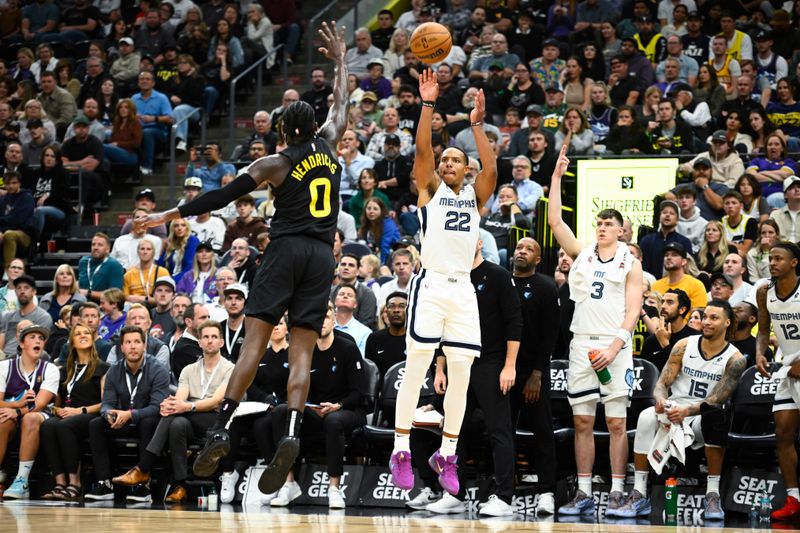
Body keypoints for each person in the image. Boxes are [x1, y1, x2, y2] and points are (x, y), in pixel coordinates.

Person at [135, 21, 350, 496]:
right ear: (312, 126)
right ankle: (291, 434)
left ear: (283, 132)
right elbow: (342, 103)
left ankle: (219, 430)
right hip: (321, 257)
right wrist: (339, 61)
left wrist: (169, 212)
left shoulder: (273, 163)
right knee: (301, 351)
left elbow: (219, 197)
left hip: (287, 249)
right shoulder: (331, 144)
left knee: (252, 343)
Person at [388, 67, 497, 496]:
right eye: (444, 159)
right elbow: (421, 154)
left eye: (456, 160)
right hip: (430, 285)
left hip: (462, 290)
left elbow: (490, 164)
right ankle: (401, 449)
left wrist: (477, 126)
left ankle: (446, 455)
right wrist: (428, 104)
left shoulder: (476, 195)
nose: (448, 163)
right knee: (415, 367)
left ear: (465, 170)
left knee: (463, 375)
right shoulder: (429, 192)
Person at [548, 139, 644, 516]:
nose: (603, 227)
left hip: (613, 346)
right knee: (582, 420)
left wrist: (614, 349)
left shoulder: (630, 262)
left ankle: (618, 492)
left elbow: (634, 311)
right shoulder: (583, 254)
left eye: (610, 224)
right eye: (600, 223)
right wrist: (556, 177)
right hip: (580, 344)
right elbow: (555, 221)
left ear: (622, 231)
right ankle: (585, 491)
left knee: (617, 422)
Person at [617, 300, 746, 520]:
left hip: (699, 415)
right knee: (646, 417)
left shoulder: (735, 359)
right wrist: (660, 400)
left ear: (727, 322)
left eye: (713, 318)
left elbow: (716, 399)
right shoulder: (684, 345)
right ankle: (639, 493)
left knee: (715, 417)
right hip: (674, 407)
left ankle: (712, 495)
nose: (706, 321)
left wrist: (687, 412)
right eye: (704, 316)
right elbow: (661, 384)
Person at [113, 320, 234, 503]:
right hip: (188, 418)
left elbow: (216, 401)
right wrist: (170, 405)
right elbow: (180, 398)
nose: (209, 341)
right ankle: (180, 485)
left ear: (221, 342)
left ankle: (144, 468)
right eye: (205, 337)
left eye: (214, 337)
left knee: (176, 416)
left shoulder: (230, 368)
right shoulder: (188, 370)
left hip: (215, 420)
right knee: (175, 422)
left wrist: (185, 406)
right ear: (199, 342)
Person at [268, 303, 368, 509]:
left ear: (333, 321)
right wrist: (306, 405)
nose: (322, 322)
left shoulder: (347, 348)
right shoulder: (304, 350)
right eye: (317, 318)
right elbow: (295, 387)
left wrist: (338, 405)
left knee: (333, 421)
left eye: (326, 317)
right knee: (281, 412)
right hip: (314, 410)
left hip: (346, 410)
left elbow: (360, 393)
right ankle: (289, 482)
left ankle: (334, 488)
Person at [510, 237, 559, 515]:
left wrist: (537, 373)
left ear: (538, 259)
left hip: (534, 372)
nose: (522, 252)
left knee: (542, 432)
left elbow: (550, 335)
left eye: (529, 249)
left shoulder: (545, 287)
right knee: (503, 432)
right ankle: (503, 489)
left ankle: (546, 492)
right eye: (519, 247)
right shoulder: (503, 283)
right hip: (505, 370)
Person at [218, 315, 289, 504]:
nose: (275, 328)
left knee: (261, 426)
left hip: (282, 408)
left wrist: (280, 401)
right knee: (233, 422)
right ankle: (228, 473)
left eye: (280, 324)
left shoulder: (293, 354)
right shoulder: (260, 355)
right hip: (259, 405)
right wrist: (264, 398)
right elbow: (250, 384)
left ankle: (272, 475)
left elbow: (298, 383)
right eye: (272, 324)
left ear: (287, 329)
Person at [755, 242, 800, 520]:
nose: (772, 263)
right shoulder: (764, 292)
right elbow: (762, 329)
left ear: (794, 263)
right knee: (782, 434)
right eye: (770, 258)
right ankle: (794, 498)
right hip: (787, 368)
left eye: (779, 258)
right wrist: (761, 352)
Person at [39, 323, 109, 500]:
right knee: (47, 426)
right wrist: (58, 410)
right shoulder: (65, 370)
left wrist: (80, 411)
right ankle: (60, 482)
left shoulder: (103, 368)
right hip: (67, 413)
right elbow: (56, 403)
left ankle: (75, 482)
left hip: (90, 414)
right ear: (71, 342)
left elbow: (105, 403)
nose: (83, 335)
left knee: (65, 426)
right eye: (78, 334)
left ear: (93, 339)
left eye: (86, 333)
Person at [0, 324, 59, 499]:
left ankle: (21, 481)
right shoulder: (5, 367)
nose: (38, 341)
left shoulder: (50, 368)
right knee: (2, 418)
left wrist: (18, 412)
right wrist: (17, 405)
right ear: (21, 343)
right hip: (11, 413)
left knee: (30, 418)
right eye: (32, 337)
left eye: (41, 338)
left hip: (41, 416)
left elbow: (40, 403)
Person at [639, 288, 697, 371]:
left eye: (670, 302)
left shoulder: (693, 339)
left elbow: (683, 371)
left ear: (682, 310)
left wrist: (665, 344)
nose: (663, 306)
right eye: (663, 302)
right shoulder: (651, 340)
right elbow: (646, 374)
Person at [0, 274, 53, 358]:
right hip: (4, 359)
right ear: (15, 291)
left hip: (26, 358)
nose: (22, 291)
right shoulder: (7, 316)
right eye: (19, 288)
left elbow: (39, 345)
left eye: (26, 288)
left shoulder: (43, 317)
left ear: (34, 292)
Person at [640, 200, 693, 278]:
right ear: (659, 217)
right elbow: (643, 267)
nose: (667, 215)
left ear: (677, 220)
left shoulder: (684, 242)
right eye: (664, 212)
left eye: (672, 213)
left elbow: (688, 268)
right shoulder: (647, 240)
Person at [652, 242, 708, 309]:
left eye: (674, 255)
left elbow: (698, 314)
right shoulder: (655, 286)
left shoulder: (696, 285)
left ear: (684, 261)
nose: (669, 257)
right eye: (666, 255)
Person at [330, 253, 377, 329]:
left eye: (351, 265)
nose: (346, 267)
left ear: (358, 271)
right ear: (338, 269)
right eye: (343, 264)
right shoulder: (330, 292)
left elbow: (366, 322)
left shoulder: (367, 294)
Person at [365, 292, 407, 376]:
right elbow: (370, 373)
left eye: (402, 306)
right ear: (386, 311)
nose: (396, 310)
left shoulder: (416, 341)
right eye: (392, 306)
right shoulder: (374, 338)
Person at [78, 233, 125, 303]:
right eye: (93, 244)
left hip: (104, 306)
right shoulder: (84, 262)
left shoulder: (115, 266)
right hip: (81, 303)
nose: (95, 247)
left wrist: (89, 293)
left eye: (100, 245)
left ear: (108, 249)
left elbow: (115, 296)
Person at [220, 283, 246, 362]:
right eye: (229, 298)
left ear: (245, 303)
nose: (233, 302)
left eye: (238, 298)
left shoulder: (252, 328)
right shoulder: (218, 328)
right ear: (224, 303)